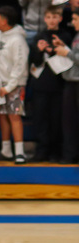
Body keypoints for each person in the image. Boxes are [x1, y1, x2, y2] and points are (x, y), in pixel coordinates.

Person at [0, 5, 28, 163]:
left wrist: (9, 87)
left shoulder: (18, 39)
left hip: (14, 85)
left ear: (4, 21)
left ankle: (19, 152)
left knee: (14, 116)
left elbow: (20, 65)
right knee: (2, 116)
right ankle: (6, 150)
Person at [27, 7, 69, 162]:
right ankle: (41, 150)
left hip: (59, 85)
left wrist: (60, 48)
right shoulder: (39, 36)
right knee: (40, 119)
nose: (52, 20)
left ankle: (55, 151)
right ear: (44, 18)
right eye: (49, 17)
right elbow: (33, 61)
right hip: (41, 85)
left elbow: (69, 59)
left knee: (56, 120)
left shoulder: (65, 36)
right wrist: (39, 51)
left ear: (60, 18)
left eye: (55, 17)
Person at [56, 11, 79, 163]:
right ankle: (71, 154)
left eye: (76, 19)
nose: (73, 22)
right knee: (69, 121)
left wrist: (67, 53)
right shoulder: (76, 37)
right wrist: (65, 48)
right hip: (71, 82)